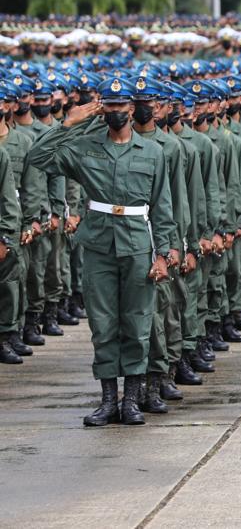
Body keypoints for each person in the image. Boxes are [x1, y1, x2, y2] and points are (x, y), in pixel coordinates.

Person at [26, 77, 175, 427]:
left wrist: (164, 254)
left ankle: (133, 400)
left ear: (132, 108)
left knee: (138, 322)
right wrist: (69, 123)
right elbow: (38, 157)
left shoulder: (153, 152)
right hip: (98, 245)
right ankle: (108, 400)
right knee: (103, 322)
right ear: (101, 108)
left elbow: (162, 207)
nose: (117, 112)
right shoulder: (86, 147)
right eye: (109, 106)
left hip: (139, 244)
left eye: (122, 106)